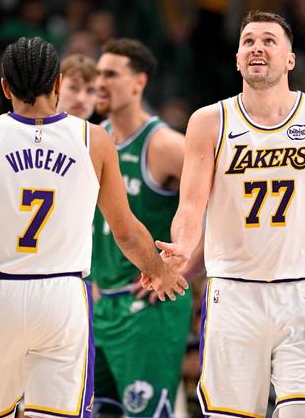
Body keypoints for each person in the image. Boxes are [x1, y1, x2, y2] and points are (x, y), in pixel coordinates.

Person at [0, 36, 187, 418]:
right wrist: (158, 269)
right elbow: (125, 230)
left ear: (5, 87)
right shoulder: (94, 140)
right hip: (63, 298)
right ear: (58, 83)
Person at [153, 11, 305, 418]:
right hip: (233, 293)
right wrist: (181, 246)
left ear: (290, 59)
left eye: (269, 40)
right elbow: (191, 206)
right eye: (249, 41)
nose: (257, 47)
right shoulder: (209, 121)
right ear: (237, 59)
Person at [90, 38, 192, 417]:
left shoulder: (164, 145)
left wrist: (185, 266)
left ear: (139, 82)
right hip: (101, 302)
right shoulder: (93, 141)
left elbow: (220, 203)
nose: (100, 83)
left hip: (149, 305)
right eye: (98, 74)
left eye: (111, 74)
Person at [57, 53, 98, 120]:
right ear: (56, 87)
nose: (81, 99)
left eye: (90, 90)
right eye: (73, 88)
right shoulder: (38, 125)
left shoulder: (105, 126)